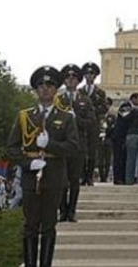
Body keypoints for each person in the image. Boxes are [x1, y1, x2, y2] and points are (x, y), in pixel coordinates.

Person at [6, 65, 78, 267]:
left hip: (54, 176)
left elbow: (73, 147)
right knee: (30, 226)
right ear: (36, 90)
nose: (45, 89)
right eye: (41, 85)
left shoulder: (66, 117)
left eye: (50, 85)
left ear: (56, 89)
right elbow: (12, 148)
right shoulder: (24, 116)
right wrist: (28, 163)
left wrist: (51, 145)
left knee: (48, 226)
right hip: (30, 178)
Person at [54, 64, 96, 222]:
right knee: (61, 179)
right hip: (61, 145)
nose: (70, 80)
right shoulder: (58, 99)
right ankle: (62, 210)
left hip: (78, 144)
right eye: (67, 78)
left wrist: (75, 118)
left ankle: (72, 211)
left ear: (78, 80)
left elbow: (91, 122)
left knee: (74, 180)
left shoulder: (85, 100)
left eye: (73, 78)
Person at [80, 62, 110, 186]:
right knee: (82, 151)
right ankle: (82, 176)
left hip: (94, 124)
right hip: (81, 125)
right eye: (87, 74)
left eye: (91, 74)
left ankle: (90, 176)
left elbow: (104, 107)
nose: (89, 76)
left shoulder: (100, 92)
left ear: (95, 76)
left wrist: (92, 112)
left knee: (92, 151)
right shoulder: (80, 91)